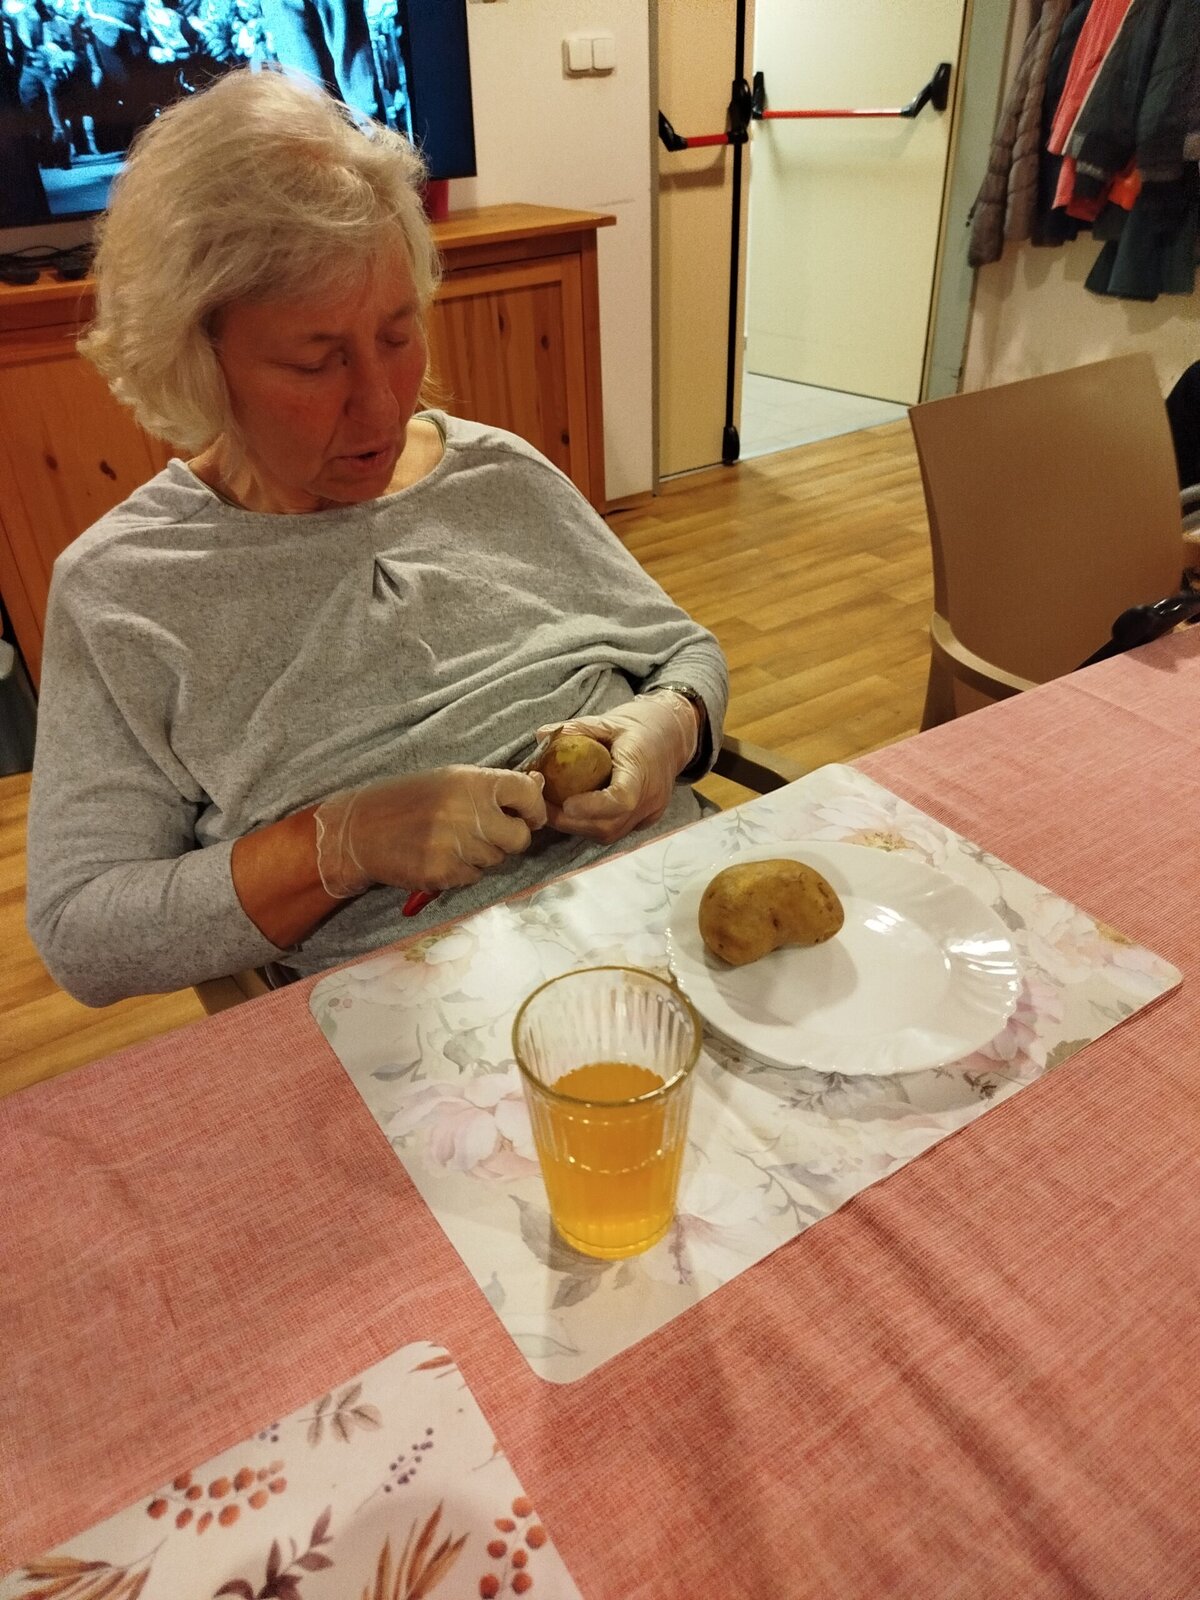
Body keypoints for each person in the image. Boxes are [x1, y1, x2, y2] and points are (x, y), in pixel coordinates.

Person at [26, 67, 729, 1007]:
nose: (382, 405)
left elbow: (682, 650)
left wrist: (668, 726)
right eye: (315, 362)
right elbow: (84, 934)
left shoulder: (500, 472)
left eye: (398, 337)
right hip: (438, 1021)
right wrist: (338, 844)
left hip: (689, 914)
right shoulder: (126, 587)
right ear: (197, 359)